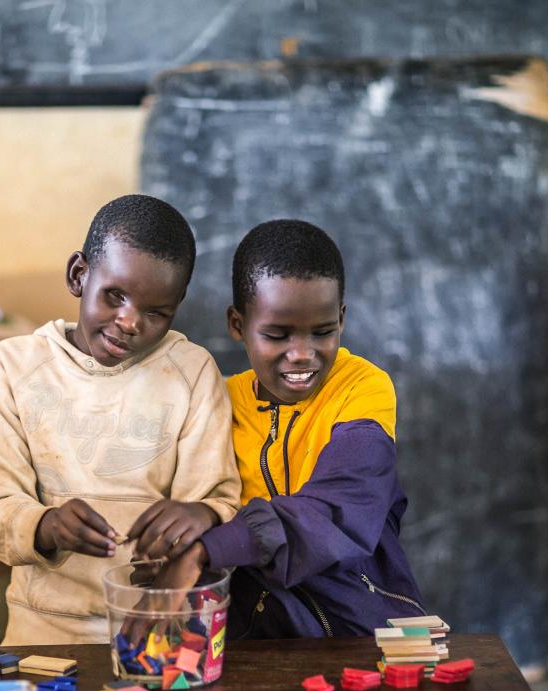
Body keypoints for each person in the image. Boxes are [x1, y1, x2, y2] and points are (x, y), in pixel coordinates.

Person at [0, 194, 240, 645]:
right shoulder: (13, 367)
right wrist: (47, 525)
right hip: (43, 628)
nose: (130, 322)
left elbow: (219, 498)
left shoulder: (191, 372)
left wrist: (201, 514)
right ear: (79, 275)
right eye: (115, 296)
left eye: (156, 312)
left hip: (160, 626)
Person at [135, 219, 425, 638]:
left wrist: (207, 549)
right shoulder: (217, 400)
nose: (302, 354)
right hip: (250, 634)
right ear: (238, 325)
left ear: (341, 319)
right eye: (277, 335)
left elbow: (341, 507)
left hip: (362, 629)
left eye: (323, 332)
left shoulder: (363, 387)